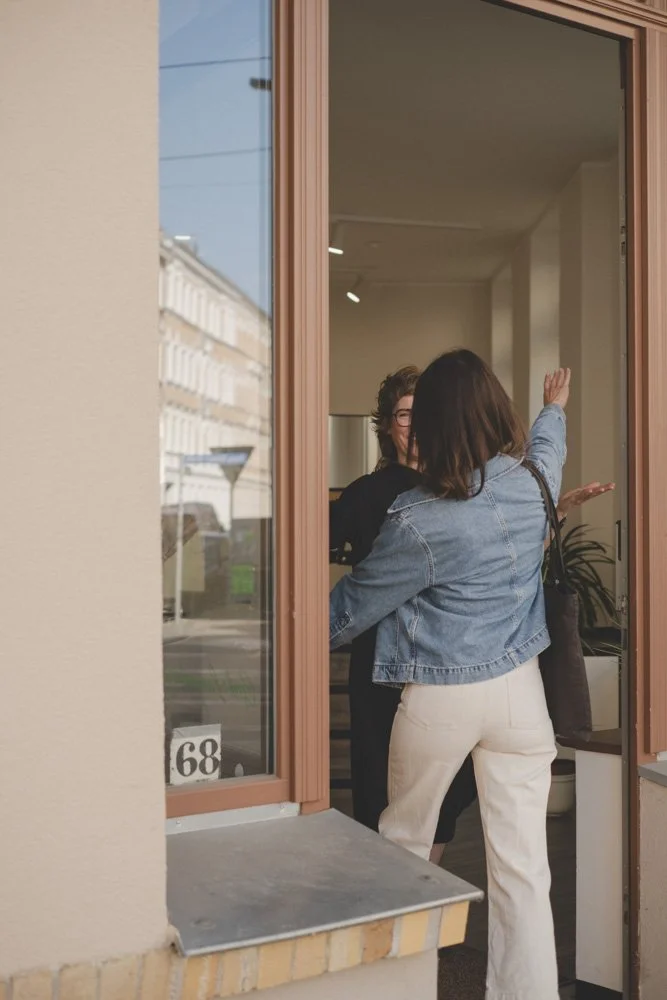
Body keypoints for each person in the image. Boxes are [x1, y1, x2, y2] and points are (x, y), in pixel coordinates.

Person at [329, 353, 596, 999]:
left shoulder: (418, 519)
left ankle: (397, 988)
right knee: (523, 866)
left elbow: (343, 617)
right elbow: (547, 446)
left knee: (403, 849)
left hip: (441, 696)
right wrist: (554, 406)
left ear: (436, 422)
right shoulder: (532, 483)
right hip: (519, 697)